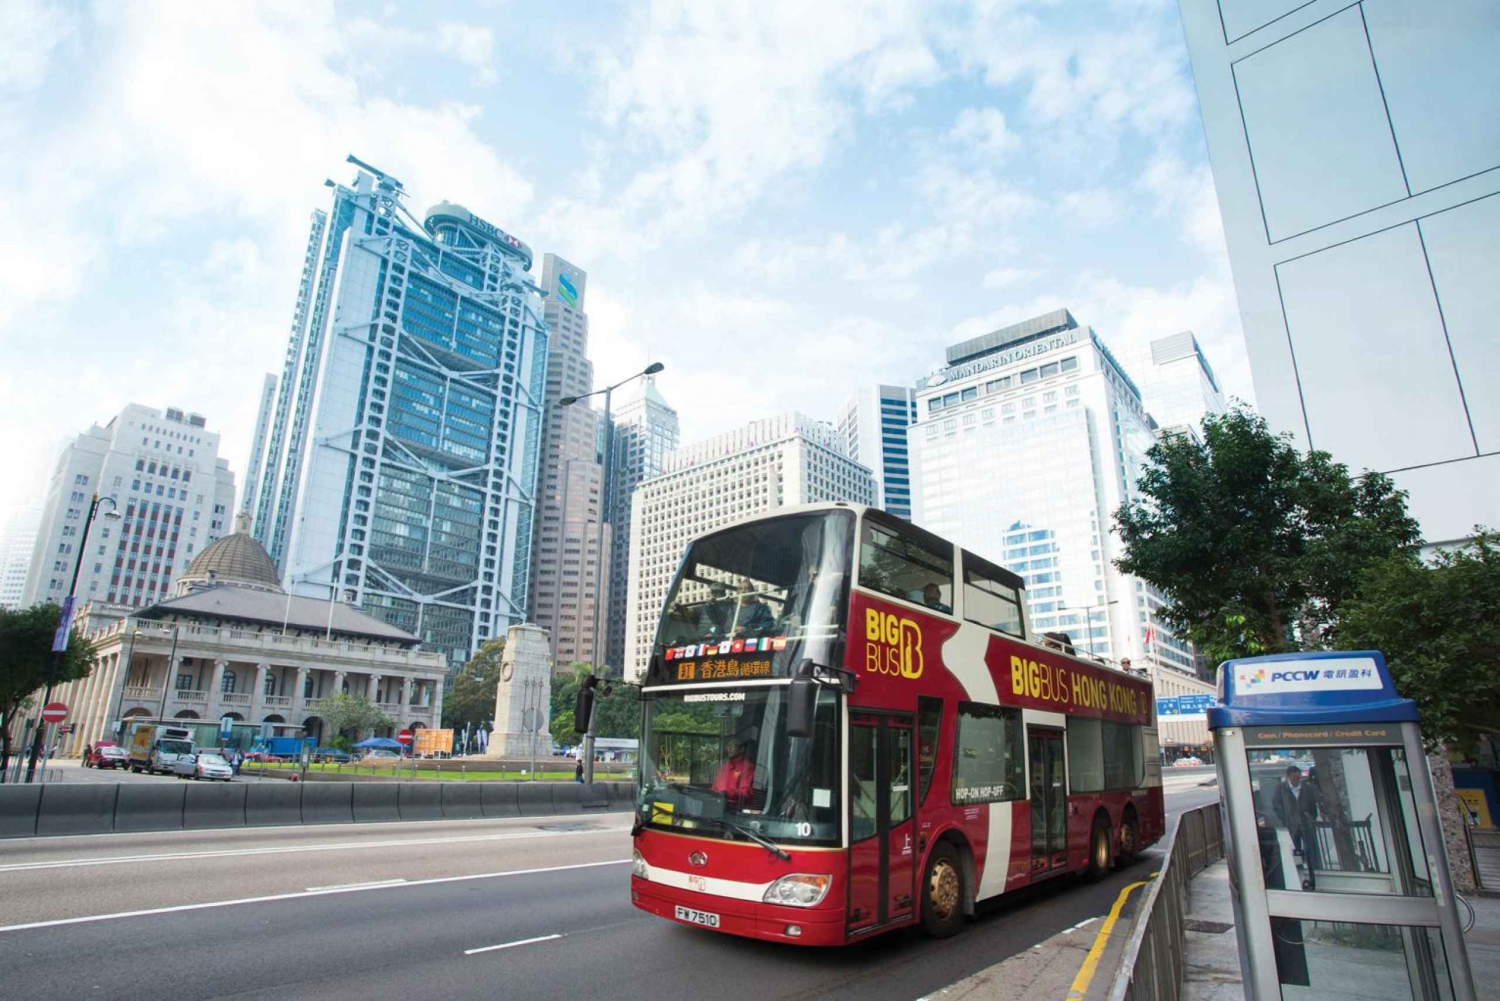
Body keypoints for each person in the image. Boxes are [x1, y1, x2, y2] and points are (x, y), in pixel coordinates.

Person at [1273, 765, 1321, 889]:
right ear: (1288, 777)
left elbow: (1312, 805)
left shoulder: (1307, 788)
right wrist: (1286, 820)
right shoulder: (1281, 788)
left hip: (1306, 824)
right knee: (1295, 851)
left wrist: (1311, 818)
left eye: (1298, 779)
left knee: (1310, 850)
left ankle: (1313, 873)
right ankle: (1299, 875)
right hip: (1292, 825)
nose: (1296, 781)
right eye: (1294, 779)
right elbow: (1277, 806)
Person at [711, 738, 756, 807]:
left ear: (742, 749)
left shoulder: (747, 767)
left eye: (733, 746)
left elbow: (746, 792)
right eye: (728, 746)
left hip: (735, 809)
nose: (729, 748)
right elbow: (715, 788)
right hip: (717, 805)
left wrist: (726, 794)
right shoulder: (723, 767)